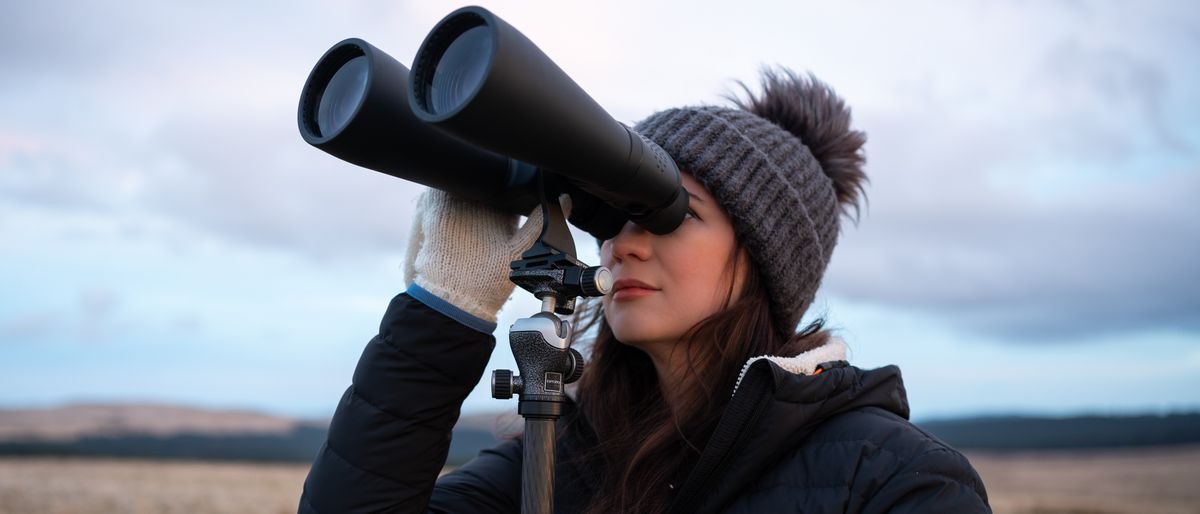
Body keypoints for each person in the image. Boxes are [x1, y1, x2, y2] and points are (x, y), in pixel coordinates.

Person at [298, 68, 991, 513]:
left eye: (670, 212)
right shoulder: (562, 460)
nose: (624, 241)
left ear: (766, 262)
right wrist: (443, 309)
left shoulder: (896, 480)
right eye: (611, 213)